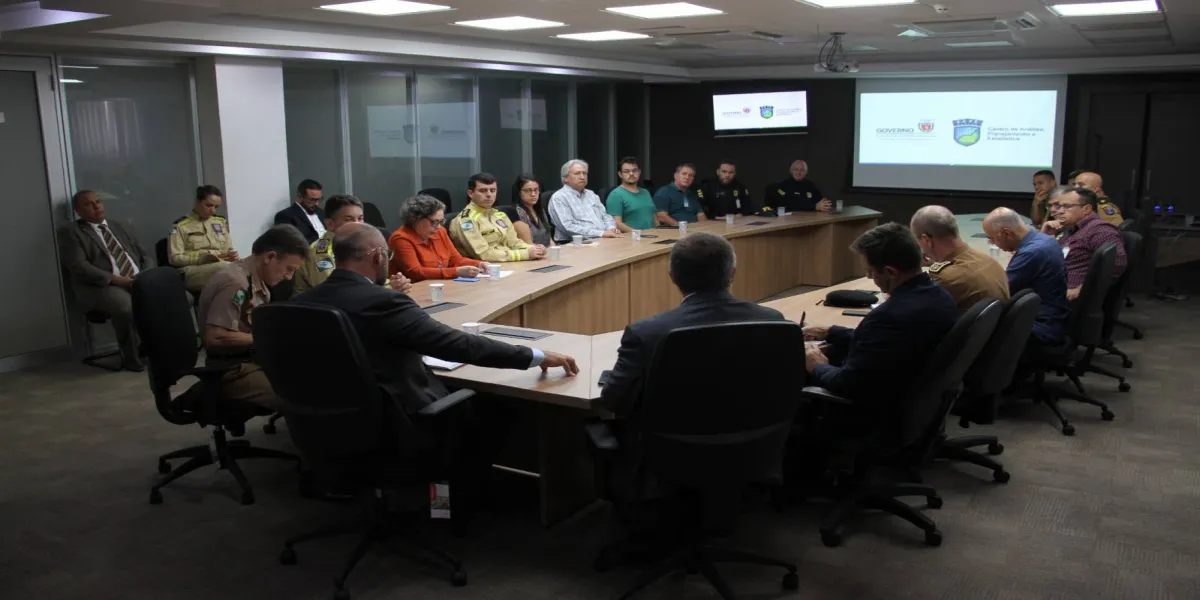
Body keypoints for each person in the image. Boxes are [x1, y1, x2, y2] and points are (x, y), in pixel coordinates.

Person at [292, 223, 579, 512]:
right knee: (496, 407)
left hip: (325, 424)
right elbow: (456, 344)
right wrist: (534, 355)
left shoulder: (302, 303)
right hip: (395, 423)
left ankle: (427, 499)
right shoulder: (383, 301)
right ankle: (444, 506)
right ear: (378, 256)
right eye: (388, 255)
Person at [602, 232, 785, 417]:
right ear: (733, 273)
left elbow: (614, 400)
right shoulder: (772, 321)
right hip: (759, 433)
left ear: (672, 276)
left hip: (670, 435)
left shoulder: (645, 333)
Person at [802, 223, 958, 411]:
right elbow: (886, 344)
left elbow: (849, 385)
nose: (869, 277)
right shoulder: (940, 296)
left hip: (874, 412)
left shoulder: (889, 316)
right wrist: (830, 331)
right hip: (914, 398)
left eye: (870, 271)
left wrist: (817, 366)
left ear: (891, 272)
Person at [197, 225, 309, 411]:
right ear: (270, 257)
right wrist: (267, 339)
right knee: (300, 396)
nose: (289, 277)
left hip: (251, 359)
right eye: (289, 269)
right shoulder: (236, 283)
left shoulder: (255, 279)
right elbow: (215, 337)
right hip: (232, 369)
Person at [57, 190, 154, 372]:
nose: (96, 206)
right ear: (78, 211)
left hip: (136, 279)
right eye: (88, 204)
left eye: (98, 201)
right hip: (100, 285)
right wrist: (117, 280)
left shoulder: (120, 226)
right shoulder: (71, 232)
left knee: (178, 297)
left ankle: (158, 349)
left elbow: (145, 254)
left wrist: (145, 276)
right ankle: (132, 358)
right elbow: (79, 266)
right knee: (125, 306)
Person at [294, 194, 412, 294]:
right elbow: (336, 291)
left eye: (360, 218)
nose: (357, 225)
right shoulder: (321, 254)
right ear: (330, 224)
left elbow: (372, 278)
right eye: (348, 220)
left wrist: (394, 283)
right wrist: (388, 289)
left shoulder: (360, 244)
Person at [983, 207, 1069, 345]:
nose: (991, 243)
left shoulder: (1031, 252)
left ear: (1007, 233)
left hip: (1041, 326)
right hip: (1054, 316)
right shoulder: (1046, 240)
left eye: (991, 238)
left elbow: (999, 291)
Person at [910, 205, 1009, 313]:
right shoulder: (989, 261)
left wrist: (912, 271)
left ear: (926, 240)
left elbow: (913, 310)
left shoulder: (945, 278)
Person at [1042, 186, 1126, 301]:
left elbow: (1116, 265)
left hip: (1065, 297)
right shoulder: (1072, 228)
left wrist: (1081, 289)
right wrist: (1046, 236)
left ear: (1086, 209)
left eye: (1067, 206)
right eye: (1060, 206)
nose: (1059, 211)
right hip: (1052, 288)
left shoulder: (1100, 230)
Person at [448, 173, 545, 262]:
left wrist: (533, 249)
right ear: (470, 193)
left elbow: (513, 242)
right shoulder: (466, 220)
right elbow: (484, 254)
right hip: (485, 270)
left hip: (508, 264)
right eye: (483, 191)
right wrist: (525, 254)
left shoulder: (499, 215)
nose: (489, 194)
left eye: (492, 190)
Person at [388, 193, 484, 282]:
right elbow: (416, 272)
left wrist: (479, 264)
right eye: (434, 222)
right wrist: (456, 272)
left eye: (441, 221)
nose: (438, 226)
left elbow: (455, 260)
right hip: (415, 288)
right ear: (416, 219)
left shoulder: (440, 231)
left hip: (441, 285)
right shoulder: (400, 238)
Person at [169, 185, 238, 293]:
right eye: (208, 205)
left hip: (220, 265)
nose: (212, 210)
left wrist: (231, 255)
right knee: (225, 269)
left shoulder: (220, 222)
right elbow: (174, 258)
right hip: (192, 270)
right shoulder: (180, 225)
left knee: (246, 266)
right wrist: (201, 259)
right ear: (198, 202)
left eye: (216, 207)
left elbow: (228, 249)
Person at [547, 159, 622, 242]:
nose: (582, 177)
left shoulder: (591, 194)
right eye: (577, 173)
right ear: (565, 178)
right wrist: (601, 233)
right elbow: (567, 227)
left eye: (584, 173)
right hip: (574, 243)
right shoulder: (559, 198)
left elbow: (605, 216)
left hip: (602, 239)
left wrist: (611, 228)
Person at [605, 157, 657, 232]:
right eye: (626, 171)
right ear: (620, 174)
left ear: (639, 172)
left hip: (653, 236)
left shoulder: (645, 192)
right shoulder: (615, 195)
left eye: (634, 170)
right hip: (632, 238)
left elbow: (654, 217)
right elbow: (616, 223)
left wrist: (659, 232)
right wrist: (638, 234)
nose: (631, 174)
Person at [273, 179, 326, 244]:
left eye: (319, 199)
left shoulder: (322, 213)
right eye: (312, 200)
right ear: (299, 196)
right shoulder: (285, 216)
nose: (317, 204)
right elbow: (289, 243)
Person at [510, 173, 555, 246]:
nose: (533, 194)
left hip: (547, 250)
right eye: (527, 191)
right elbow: (527, 245)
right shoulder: (517, 213)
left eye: (536, 190)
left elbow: (549, 239)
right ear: (519, 192)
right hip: (532, 251)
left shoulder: (540, 210)